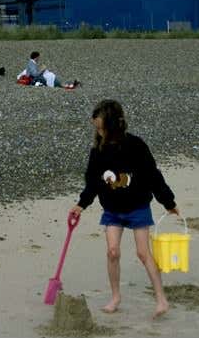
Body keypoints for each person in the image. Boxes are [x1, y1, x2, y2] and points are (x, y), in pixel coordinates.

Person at [69, 99, 179, 318]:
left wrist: (168, 202)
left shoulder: (136, 145)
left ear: (110, 123)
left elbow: (153, 175)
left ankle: (161, 299)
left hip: (137, 206)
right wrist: (81, 204)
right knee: (112, 252)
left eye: (99, 124)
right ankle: (116, 297)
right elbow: (92, 182)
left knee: (143, 253)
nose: (95, 127)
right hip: (112, 209)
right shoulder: (97, 152)